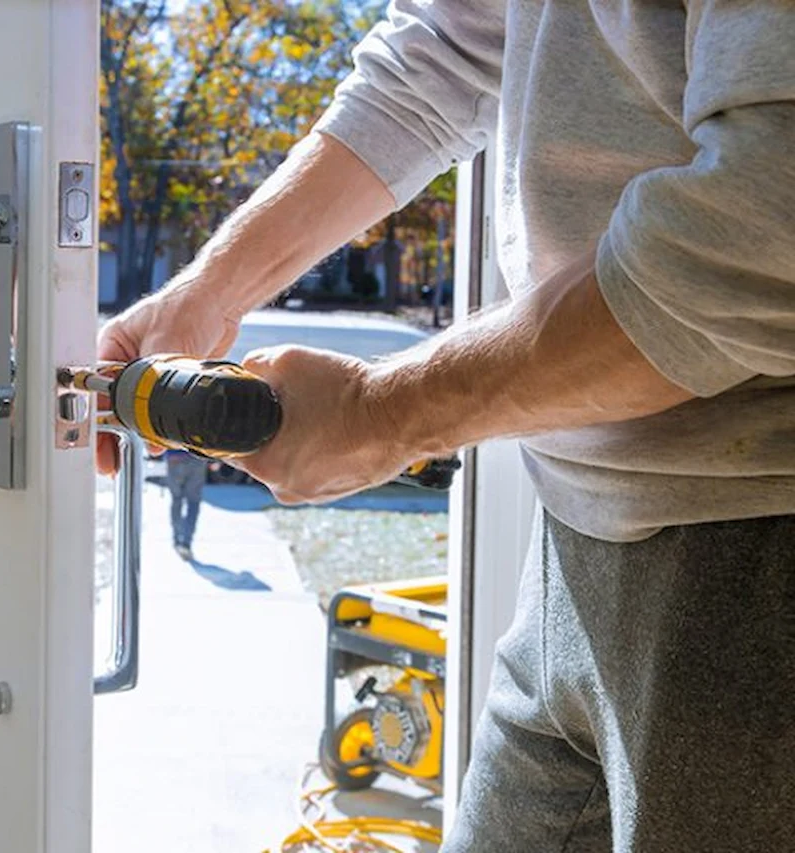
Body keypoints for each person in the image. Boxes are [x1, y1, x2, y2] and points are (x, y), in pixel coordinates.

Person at [97, 2, 795, 850]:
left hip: (752, 564)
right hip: (570, 547)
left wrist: (378, 415)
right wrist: (208, 293)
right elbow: (441, 54)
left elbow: (763, 229)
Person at [164, 448, 209, 560]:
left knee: (176, 500)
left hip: (174, 457)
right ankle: (186, 542)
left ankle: (177, 538)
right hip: (197, 457)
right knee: (193, 502)